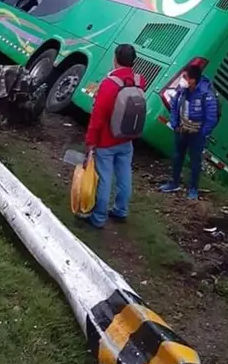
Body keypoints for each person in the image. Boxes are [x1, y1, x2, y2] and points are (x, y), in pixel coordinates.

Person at [81, 44, 148, 228]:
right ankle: (120, 211)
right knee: (124, 176)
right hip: (126, 139)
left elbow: (98, 116)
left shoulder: (109, 83)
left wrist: (90, 142)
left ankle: (99, 218)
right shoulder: (139, 80)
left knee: (104, 179)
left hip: (106, 140)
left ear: (115, 59)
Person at [159, 64, 219, 200]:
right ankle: (174, 182)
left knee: (195, 162)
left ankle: (193, 189)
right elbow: (174, 106)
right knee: (177, 156)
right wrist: (175, 124)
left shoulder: (206, 94)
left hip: (196, 133)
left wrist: (202, 133)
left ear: (193, 80)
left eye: (185, 77)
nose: (182, 79)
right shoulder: (182, 90)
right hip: (181, 130)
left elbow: (211, 117)